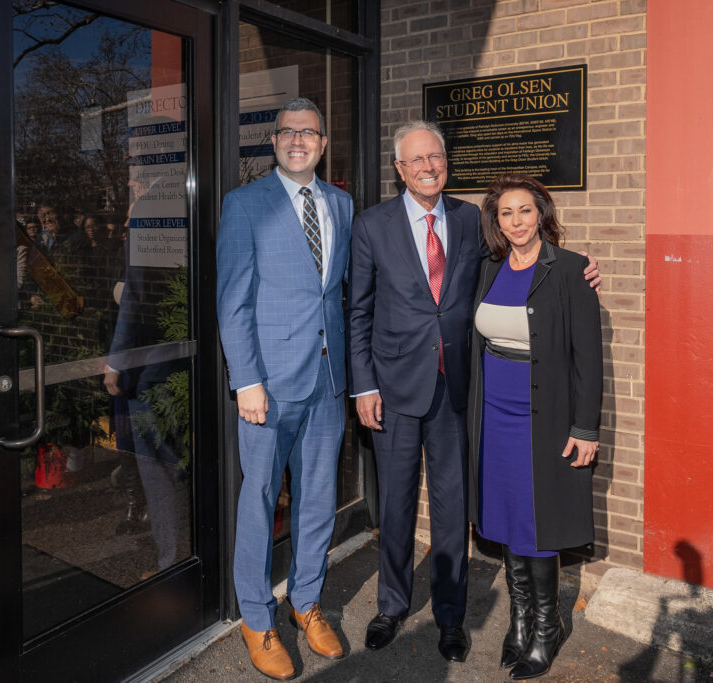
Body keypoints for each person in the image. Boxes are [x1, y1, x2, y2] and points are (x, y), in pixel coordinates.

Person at [348, 121, 601, 663]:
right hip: (392, 389)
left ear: (446, 161)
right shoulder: (371, 226)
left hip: (460, 391)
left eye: (435, 157)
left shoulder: (471, 221)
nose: (427, 167)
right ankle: (391, 606)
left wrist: (582, 272)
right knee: (394, 505)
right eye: (416, 160)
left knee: (451, 508)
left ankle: (450, 617)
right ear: (400, 169)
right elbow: (359, 311)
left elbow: (525, 268)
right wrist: (362, 384)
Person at [216, 97, 354, 680]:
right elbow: (233, 299)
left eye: (310, 133)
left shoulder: (342, 205)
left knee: (318, 499)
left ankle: (305, 602)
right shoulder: (245, 204)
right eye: (288, 132)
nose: (299, 140)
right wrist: (245, 379)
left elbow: (342, 293)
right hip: (268, 386)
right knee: (260, 498)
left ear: (324, 144)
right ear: (273, 141)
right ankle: (256, 615)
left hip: (327, 381)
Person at [468, 174, 602, 680]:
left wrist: (585, 428)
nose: (517, 221)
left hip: (542, 416)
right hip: (494, 413)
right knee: (504, 515)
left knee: (537, 518)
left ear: (541, 215)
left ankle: (549, 625)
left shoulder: (569, 270)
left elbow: (589, 357)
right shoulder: (488, 269)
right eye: (506, 213)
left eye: (525, 211)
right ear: (496, 221)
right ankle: (520, 620)